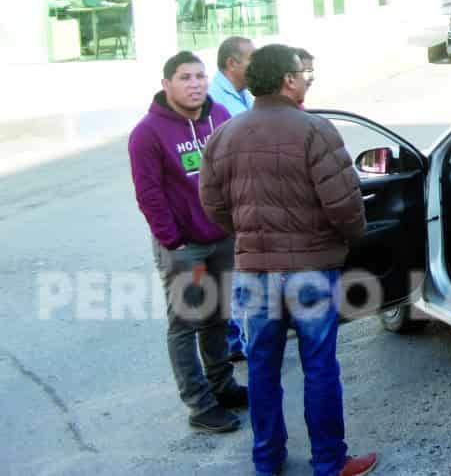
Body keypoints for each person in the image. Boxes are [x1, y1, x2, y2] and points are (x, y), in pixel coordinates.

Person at [199, 45, 378, 476]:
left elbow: (213, 204)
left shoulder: (224, 135)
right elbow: (345, 205)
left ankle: (267, 461)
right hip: (312, 269)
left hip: (256, 272)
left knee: (262, 368)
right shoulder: (315, 130)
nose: (306, 78)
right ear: (287, 80)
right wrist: (351, 239)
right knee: (319, 367)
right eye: (302, 73)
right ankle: (330, 462)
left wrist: (248, 235)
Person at [129, 51, 248, 434]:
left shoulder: (221, 118)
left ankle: (222, 385)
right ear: (167, 84)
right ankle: (199, 404)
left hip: (222, 238)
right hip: (184, 246)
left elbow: (237, 172)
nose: (195, 84)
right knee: (185, 324)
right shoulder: (147, 133)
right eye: (184, 77)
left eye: (199, 76)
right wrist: (173, 241)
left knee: (218, 317)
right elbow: (149, 194)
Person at [209, 36, 254, 361]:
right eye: (250, 58)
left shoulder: (243, 94)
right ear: (232, 63)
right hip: (230, 200)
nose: (255, 64)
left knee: (238, 277)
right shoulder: (216, 102)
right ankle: (230, 342)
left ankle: (235, 340)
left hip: (246, 198)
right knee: (230, 277)